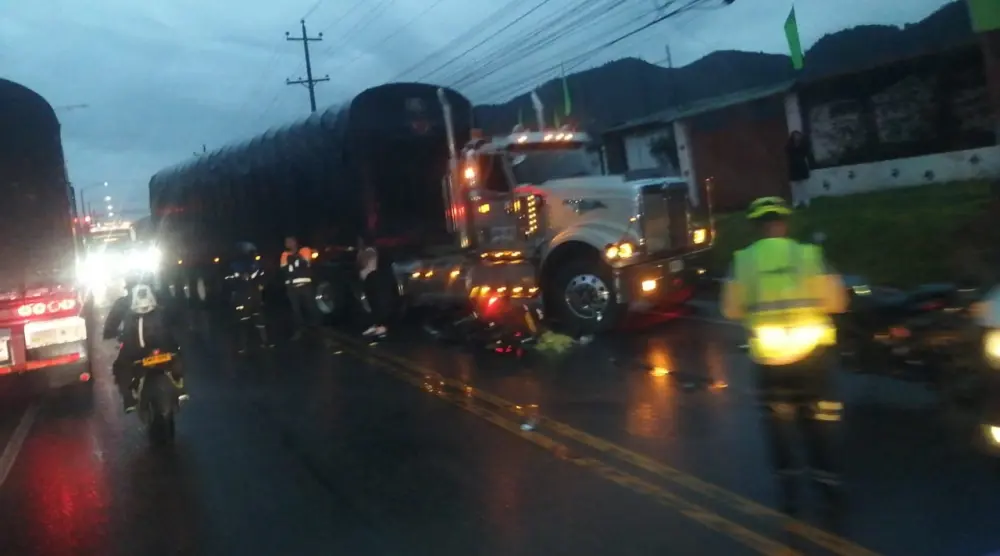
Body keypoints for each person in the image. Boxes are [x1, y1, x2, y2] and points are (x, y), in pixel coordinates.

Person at [720, 196, 849, 514]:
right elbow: (838, 303)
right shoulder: (809, 255)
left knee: (778, 425)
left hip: (770, 361)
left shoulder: (744, 261)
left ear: (755, 227)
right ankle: (828, 484)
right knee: (819, 422)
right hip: (813, 359)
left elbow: (730, 309)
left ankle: (789, 487)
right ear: (785, 223)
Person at [103, 280, 187, 413]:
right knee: (177, 353)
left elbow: (110, 327)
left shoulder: (123, 303)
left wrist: (111, 333)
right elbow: (178, 316)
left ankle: (129, 399)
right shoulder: (162, 297)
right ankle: (181, 387)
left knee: (121, 367)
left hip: (135, 349)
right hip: (164, 344)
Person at [230, 242, 273, 352]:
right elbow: (232, 278)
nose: (253, 253)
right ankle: (243, 345)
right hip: (244, 296)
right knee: (244, 320)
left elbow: (263, 275)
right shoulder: (236, 264)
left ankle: (265, 342)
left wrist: (262, 285)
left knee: (260, 319)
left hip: (255, 296)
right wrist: (241, 277)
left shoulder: (257, 264)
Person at [280, 236, 319, 340]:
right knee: (295, 310)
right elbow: (284, 269)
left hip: (305, 285)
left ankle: (315, 328)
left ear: (295, 242)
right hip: (292, 287)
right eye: (286, 242)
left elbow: (305, 262)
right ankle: (299, 330)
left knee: (311, 307)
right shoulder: (284, 254)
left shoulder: (304, 250)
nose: (287, 244)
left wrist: (294, 258)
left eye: (289, 242)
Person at [786, 131, 816, 209]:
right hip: (793, 168)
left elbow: (806, 153)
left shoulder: (804, 145)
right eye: (795, 136)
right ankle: (796, 202)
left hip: (802, 166)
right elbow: (787, 152)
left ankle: (806, 201)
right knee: (795, 187)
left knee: (804, 186)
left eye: (798, 136)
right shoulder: (789, 146)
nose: (797, 137)